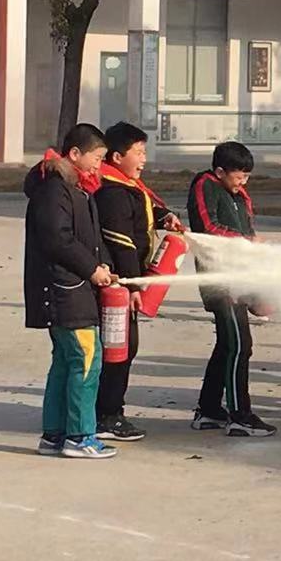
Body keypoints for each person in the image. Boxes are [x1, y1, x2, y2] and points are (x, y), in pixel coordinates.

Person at [24, 124, 117, 459]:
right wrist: (92, 270)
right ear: (75, 154)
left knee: (65, 362)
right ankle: (79, 436)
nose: (99, 165)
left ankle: (55, 434)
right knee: (86, 361)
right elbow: (58, 239)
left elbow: (89, 240)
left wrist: (104, 266)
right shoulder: (55, 190)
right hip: (65, 290)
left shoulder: (77, 189)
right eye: (97, 157)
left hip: (73, 288)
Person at [93, 121, 185, 442]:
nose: (145, 159)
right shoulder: (113, 191)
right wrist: (133, 286)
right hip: (116, 286)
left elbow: (143, 209)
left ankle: (107, 412)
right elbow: (122, 242)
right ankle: (108, 415)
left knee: (122, 346)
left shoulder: (126, 185)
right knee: (119, 348)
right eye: (139, 152)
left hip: (122, 285)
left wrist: (164, 216)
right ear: (117, 157)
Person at [188, 140, 274, 438]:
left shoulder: (239, 194)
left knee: (227, 346)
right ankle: (240, 415)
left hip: (240, 280)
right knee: (240, 346)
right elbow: (207, 228)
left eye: (247, 177)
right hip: (220, 281)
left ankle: (209, 408)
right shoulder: (205, 184)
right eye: (238, 176)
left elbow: (247, 232)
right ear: (220, 171)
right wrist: (245, 242)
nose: (243, 182)